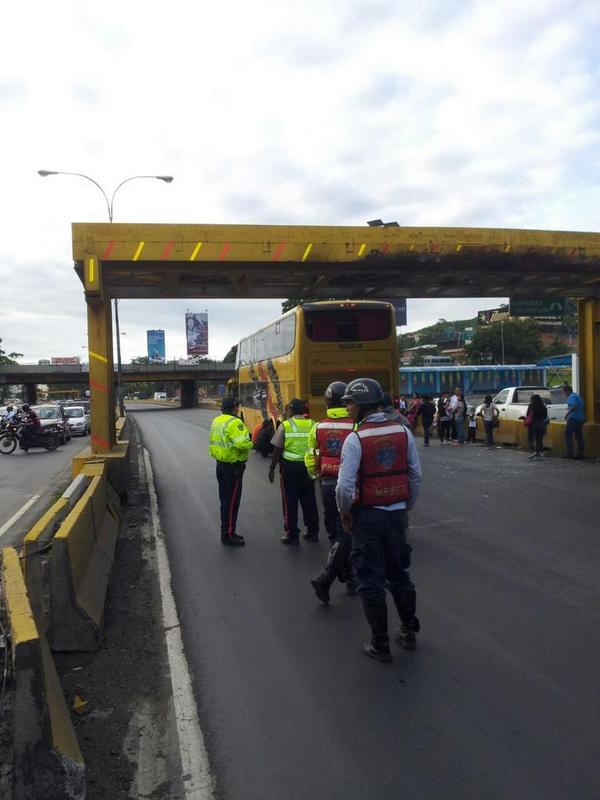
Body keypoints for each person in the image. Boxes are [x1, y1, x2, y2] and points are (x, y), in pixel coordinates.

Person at [336, 378, 422, 663]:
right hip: (397, 515)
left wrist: (345, 513)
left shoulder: (356, 439)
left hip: (368, 518)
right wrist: (405, 506)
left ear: (362, 405)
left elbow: (344, 487)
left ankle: (380, 643)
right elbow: (415, 476)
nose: (346, 407)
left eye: (349, 402)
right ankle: (409, 631)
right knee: (399, 574)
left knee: (370, 580)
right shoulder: (403, 432)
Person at [305, 382, 356, 603]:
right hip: (349, 484)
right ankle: (339, 575)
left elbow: (311, 454)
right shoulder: (355, 425)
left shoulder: (317, 427)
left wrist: (315, 473)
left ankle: (346, 574)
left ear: (327, 402)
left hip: (326, 483)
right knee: (349, 531)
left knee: (335, 530)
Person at [269, 399, 319, 544]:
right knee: (309, 499)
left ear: (291, 410)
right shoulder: (314, 424)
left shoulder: (286, 425)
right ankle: (312, 532)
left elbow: (277, 449)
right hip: (308, 467)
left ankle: (292, 534)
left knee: (290, 501)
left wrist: (272, 468)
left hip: (290, 469)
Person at [208, 397, 252, 546]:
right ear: (235, 408)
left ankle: (226, 530)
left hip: (221, 465)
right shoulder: (235, 422)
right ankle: (228, 534)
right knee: (232, 502)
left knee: (225, 500)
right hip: (233, 468)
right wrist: (251, 442)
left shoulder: (217, 421)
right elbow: (242, 444)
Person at [563, 383, 585, 459]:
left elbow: (574, 405)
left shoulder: (571, 397)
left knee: (567, 434)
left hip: (573, 418)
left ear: (567, 391)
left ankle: (570, 453)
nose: (564, 394)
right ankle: (580, 454)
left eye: (564, 392)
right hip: (581, 418)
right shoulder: (577, 396)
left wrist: (567, 414)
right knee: (579, 436)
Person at [525, 393, 548, 459]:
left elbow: (527, 414)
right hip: (541, 424)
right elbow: (545, 416)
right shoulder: (543, 406)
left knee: (530, 438)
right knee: (539, 439)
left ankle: (532, 451)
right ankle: (539, 452)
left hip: (532, 424)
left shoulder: (531, 406)